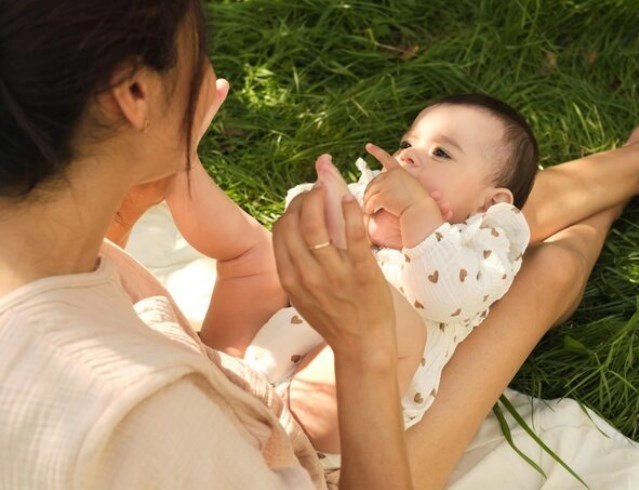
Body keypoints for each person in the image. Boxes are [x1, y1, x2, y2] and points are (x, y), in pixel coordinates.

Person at [0, 0, 639, 487]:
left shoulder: (57, 258)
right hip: (345, 448)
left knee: (498, 220)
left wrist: (128, 213)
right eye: (196, 39)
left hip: (336, 336)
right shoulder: (139, 427)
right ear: (135, 95)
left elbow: (478, 221)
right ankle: (638, 175)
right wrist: (367, 349)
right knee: (535, 288)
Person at [182, 94, 538, 459]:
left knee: (389, 317)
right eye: (407, 143)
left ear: (489, 204)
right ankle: (181, 170)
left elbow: (444, 297)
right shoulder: (373, 198)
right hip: (257, 351)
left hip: (331, 409)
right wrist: (353, 220)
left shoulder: (484, 244)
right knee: (256, 252)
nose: (409, 155)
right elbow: (295, 234)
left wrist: (417, 215)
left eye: (441, 153)